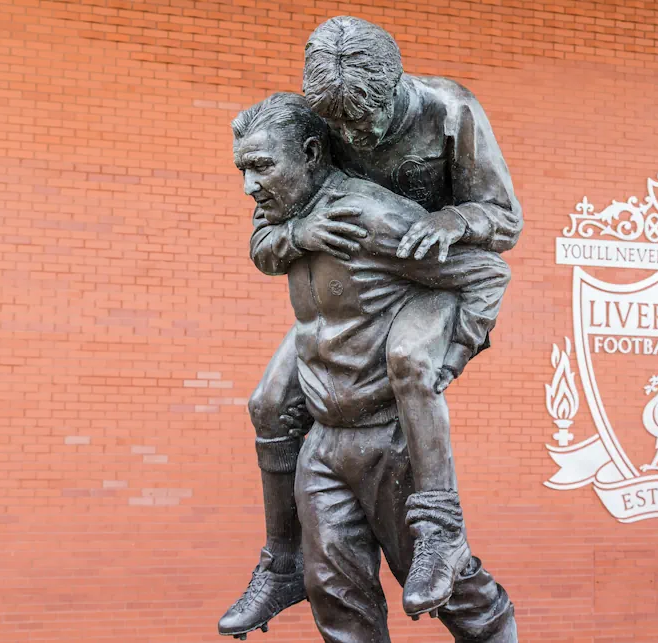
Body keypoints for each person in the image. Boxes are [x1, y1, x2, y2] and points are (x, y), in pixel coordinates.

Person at [219, 15, 523, 637]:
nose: (352, 137)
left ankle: (439, 527)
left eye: (365, 122)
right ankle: (281, 561)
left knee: (410, 363)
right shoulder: (318, 128)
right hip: (349, 300)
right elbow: (267, 231)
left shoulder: (450, 113)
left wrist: (454, 225)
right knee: (271, 401)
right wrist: (299, 232)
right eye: (338, 128)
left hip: (432, 267)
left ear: (394, 87)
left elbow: (504, 226)